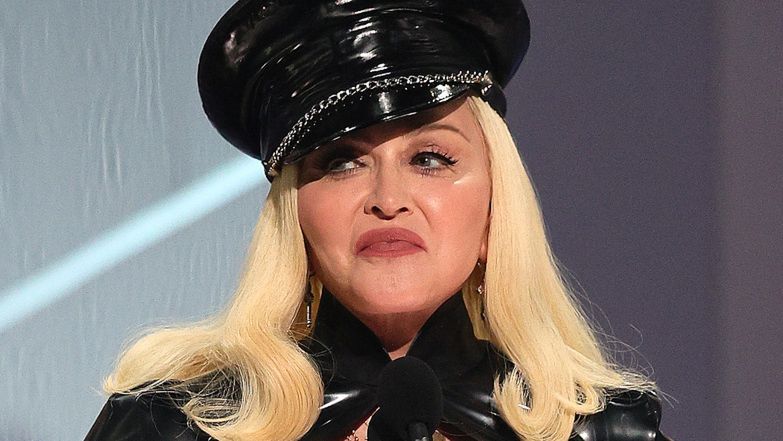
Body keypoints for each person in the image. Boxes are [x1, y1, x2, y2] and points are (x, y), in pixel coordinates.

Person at [86, 1, 672, 440]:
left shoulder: (602, 432)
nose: (388, 198)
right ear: (294, 218)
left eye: (431, 159)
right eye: (342, 162)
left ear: (497, 206)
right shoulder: (177, 427)